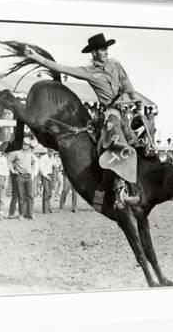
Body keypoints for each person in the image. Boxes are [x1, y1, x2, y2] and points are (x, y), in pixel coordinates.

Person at [24, 33, 142, 209]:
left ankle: (141, 188)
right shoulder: (89, 72)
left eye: (106, 48)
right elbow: (61, 68)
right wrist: (36, 58)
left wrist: (136, 102)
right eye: (102, 49)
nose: (106, 51)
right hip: (110, 117)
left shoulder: (115, 64)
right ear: (94, 52)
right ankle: (119, 194)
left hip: (125, 114)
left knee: (140, 146)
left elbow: (128, 87)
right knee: (121, 149)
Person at [8, 138, 37, 219]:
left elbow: (34, 162)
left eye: (27, 144)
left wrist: (32, 171)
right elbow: (9, 161)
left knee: (30, 196)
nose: (25, 146)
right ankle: (21, 214)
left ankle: (30, 213)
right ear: (22, 144)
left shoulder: (31, 154)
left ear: (29, 146)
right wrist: (13, 170)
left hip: (28, 176)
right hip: (19, 176)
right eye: (24, 144)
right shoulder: (17, 153)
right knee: (21, 196)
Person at [38, 148, 55, 214]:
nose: (52, 152)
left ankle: (49, 207)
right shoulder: (43, 157)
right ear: (48, 151)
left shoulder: (52, 157)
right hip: (45, 175)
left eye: (53, 151)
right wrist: (45, 176)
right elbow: (41, 168)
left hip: (51, 175)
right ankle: (45, 209)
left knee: (50, 193)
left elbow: (54, 165)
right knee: (46, 192)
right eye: (51, 151)